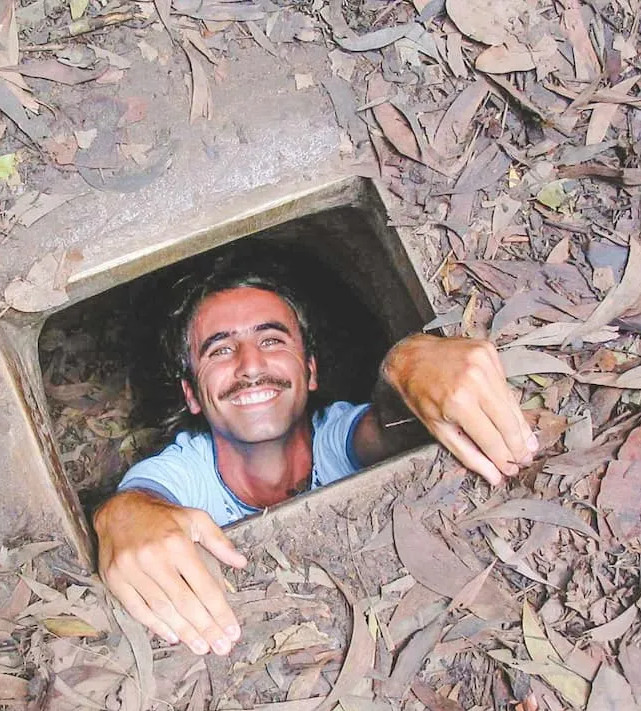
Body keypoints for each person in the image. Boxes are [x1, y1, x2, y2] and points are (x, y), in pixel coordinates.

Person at [93, 262, 537, 657]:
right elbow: (140, 503)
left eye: (271, 340)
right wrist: (120, 516)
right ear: (192, 395)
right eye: (221, 350)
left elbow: (390, 425)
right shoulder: (185, 471)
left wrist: (409, 362)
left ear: (310, 371)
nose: (250, 366)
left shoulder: (337, 436)